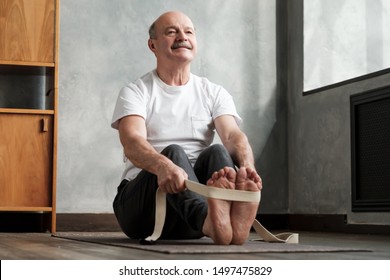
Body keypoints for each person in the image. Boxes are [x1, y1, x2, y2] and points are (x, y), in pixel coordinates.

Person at [111, 11, 262, 245]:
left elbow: (232, 135)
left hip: (190, 216)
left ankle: (226, 221)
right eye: (171, 32)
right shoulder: (136, 91)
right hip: (144, 212)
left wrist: (247, 169)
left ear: (195, 42)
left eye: (188, 32)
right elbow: (132, 142)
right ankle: (213, 221)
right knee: (173, 153)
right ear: (152, 45)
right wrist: (164, 166)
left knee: (217, 152)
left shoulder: (213, 92)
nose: (182, 36)